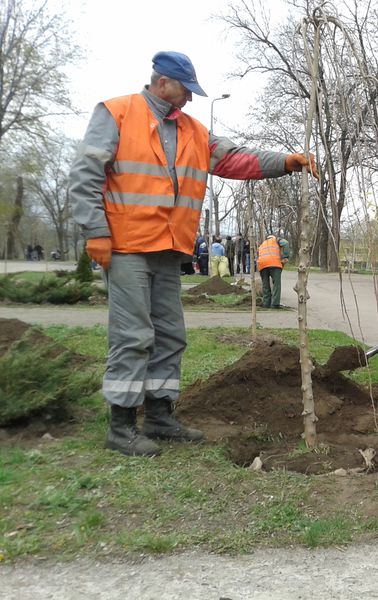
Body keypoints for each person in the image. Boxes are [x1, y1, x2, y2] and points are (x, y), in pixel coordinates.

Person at [70, 50, 317, 457]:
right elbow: (85, 174)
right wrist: (95, 231)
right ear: (162, 82)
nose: (189, 100)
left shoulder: (194, 132)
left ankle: (161, 416)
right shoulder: (116, 113)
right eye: (186, 91)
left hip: (169, 249)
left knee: (169, 334)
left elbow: (238, 158)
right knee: (133, 335)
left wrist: (286, 162)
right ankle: (121, 425)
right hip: (127, 246)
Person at [257, 234, 289, 308]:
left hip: (262, 265)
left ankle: (266, 303)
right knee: (276, 284)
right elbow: (286, 243)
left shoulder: (262, 244)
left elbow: (258, 253)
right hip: (274, 264)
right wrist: (285, 257)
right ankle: (275, 304)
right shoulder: (276, 240)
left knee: (265, 285)